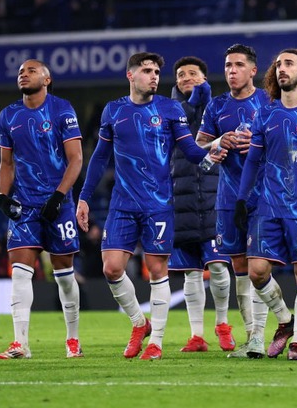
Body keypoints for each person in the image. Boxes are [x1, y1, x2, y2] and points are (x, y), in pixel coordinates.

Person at [76, 52, 218, 360]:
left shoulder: (169, 109)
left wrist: (214, 148)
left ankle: (156, 342)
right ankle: (140, 324)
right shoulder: (113, 111)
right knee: (111, 268)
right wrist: (85, 196)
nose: (153, 75)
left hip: (158, 204)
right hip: (122, 204)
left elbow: (191, 151)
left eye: (156, 71)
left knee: (157, 270)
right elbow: (100, 157)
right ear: (130, 75)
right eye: (146, 70)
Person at [234, 48, 297, 361]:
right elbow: (252, 160)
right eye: (278, 64)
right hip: (268, 206)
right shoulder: (266, 113)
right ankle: (284, 319)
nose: (281, 69)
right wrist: (241, 198)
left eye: (288, 64)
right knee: (257, 272)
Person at [0, 59, 83, 359]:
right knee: (20, 273)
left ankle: (72, 339)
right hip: (25, 206)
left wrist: (58, 197)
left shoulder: (62, 109)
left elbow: (76, 159)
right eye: (20, 70)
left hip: (58, 205)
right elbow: (6, 163)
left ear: (47, 79)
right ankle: (20, 343)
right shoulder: (9, 115)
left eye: (31, 70)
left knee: (65, 276)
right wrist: (2, 196)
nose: (23, 73)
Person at [196, 44, 271, 358]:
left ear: (253, 70)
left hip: (265, 196)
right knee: (240, 266)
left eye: (239, 65)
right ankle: (253, 338)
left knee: (259, 269)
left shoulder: (268, 101)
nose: (231, 70)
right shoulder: (216, 106)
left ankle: (283, 326)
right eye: (228, 65)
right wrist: (217, 142)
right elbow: (200, 146)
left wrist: (256, 145)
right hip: (228, 198)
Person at [168, 56, 235, 353]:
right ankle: (196, 335)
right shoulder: (169, 110)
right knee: (190, 272)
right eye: (181, 74)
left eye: (193, 73)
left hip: (213, 196)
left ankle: (222, 324)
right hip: (178, 197)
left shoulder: (218, 107)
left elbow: (203, 101)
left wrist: (203, 95)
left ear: (206, 78)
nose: (186, 78)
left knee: (219, 266)